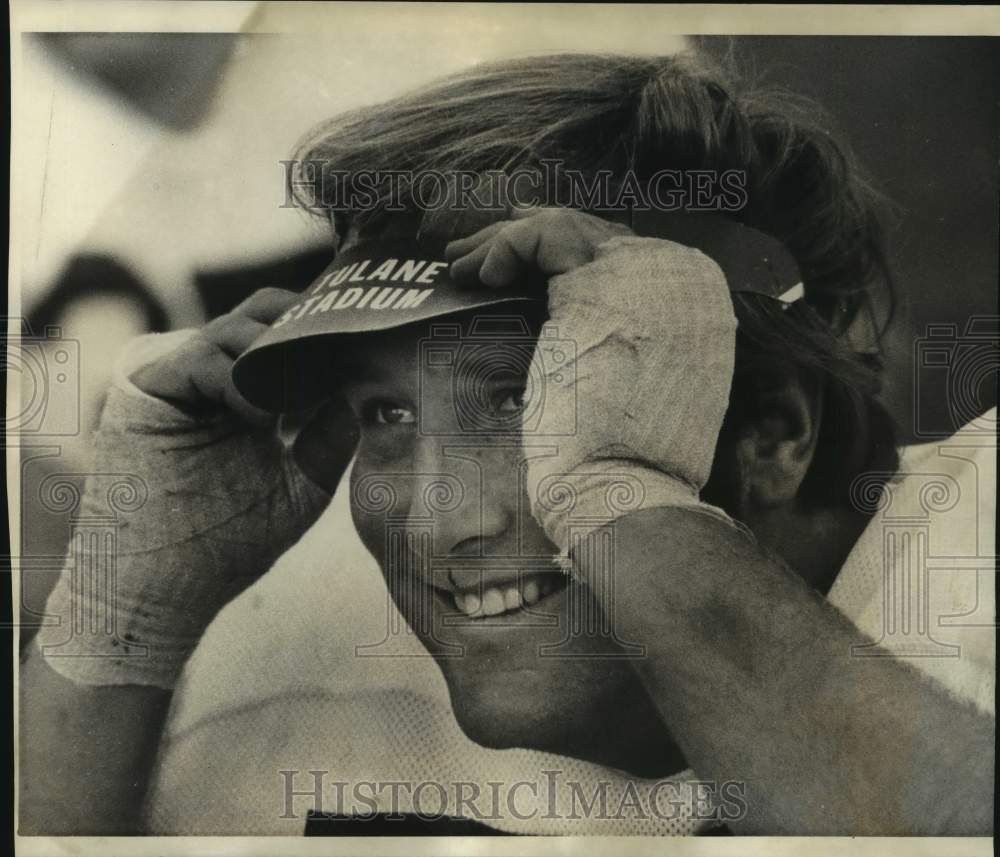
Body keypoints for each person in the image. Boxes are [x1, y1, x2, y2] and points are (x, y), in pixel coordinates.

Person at [21, 52, 994, 836]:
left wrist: (617, 490)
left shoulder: (968, 539)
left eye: (528, 397)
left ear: (776, 428)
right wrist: (121, 616)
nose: (441, 524)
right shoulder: (303, 677)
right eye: (387, 417)